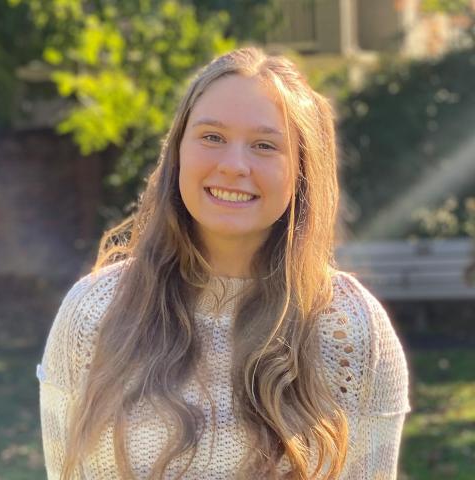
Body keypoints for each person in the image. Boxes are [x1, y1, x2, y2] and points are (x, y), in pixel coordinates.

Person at [37, 47, 411, 480]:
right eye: (212, 137)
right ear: (178, 151)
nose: (234, 165)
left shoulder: (354, 330)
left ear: (302, 170)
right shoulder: (93, 313)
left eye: (264, 145)